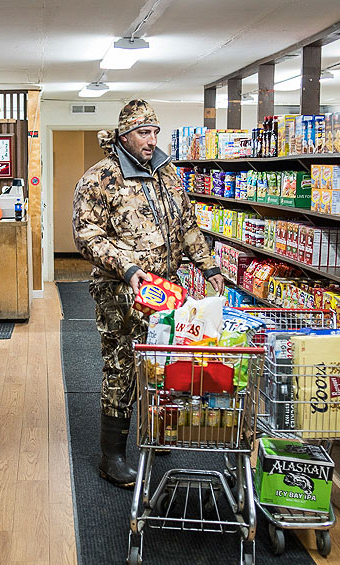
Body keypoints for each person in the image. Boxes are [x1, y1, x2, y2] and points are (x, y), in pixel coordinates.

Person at [73, 99, 225, 489]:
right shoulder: (99, 179)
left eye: (155, 132)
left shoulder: (167, 172)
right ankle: (113, 455)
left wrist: (208, 264)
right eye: (144, 132)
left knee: (162, 362)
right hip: (121, 290)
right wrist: (127, 267)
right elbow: (87, 235)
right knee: (123, 366)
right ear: (124, 136)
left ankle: (157, 433)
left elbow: (187, 224)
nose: (151, 140)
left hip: (168, 291)